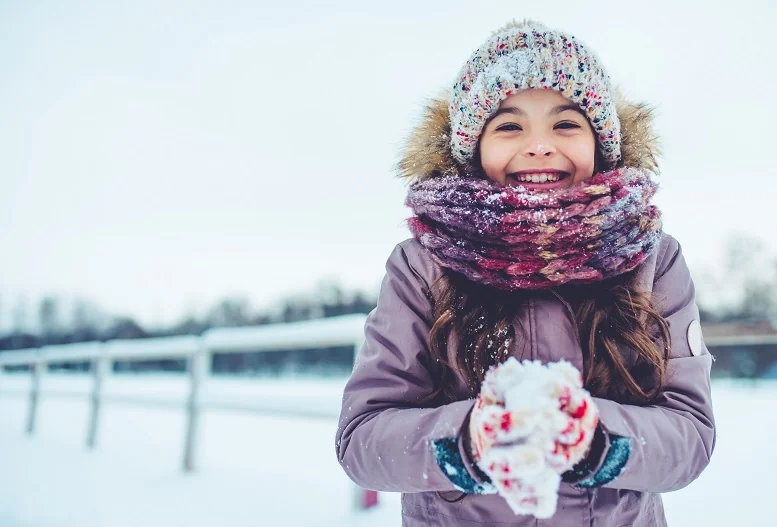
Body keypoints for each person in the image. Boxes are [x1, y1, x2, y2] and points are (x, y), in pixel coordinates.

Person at [335, 19, 715, 526]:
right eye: (510, 125)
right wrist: (467, 441)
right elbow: (362, 437)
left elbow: (690, 433)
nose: (539, 145)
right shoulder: (422, 266)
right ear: (473, 148)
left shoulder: (652, 259)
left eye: (565, 124)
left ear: (601, 143)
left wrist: (599, 442)